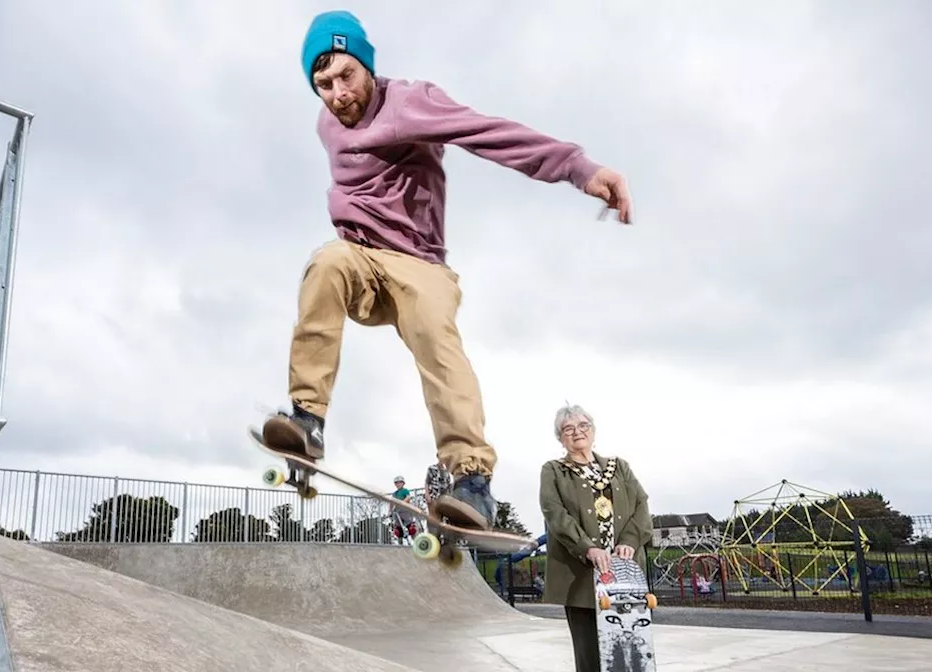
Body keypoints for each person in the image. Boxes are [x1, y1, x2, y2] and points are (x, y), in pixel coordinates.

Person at [260, 10, 634, 533]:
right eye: (323, 85)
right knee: (325, 263)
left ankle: (471, 480)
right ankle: (307, 418)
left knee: (437, 335)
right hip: (361, 261)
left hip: (419, 265)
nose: (338, 94)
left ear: (367, 65)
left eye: (347, 76)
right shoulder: (327, 123)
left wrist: (579, 168)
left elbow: (489, 134)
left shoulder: (411, 102)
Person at [538, 404, 652, 672]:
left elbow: (641, 504)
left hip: (625, 576)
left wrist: (630, 542)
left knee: (631, 650)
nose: (577, 432)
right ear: (560, 438)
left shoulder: (619, 467)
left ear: (593, 430)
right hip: (581, 574)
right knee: (589, 653)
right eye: (568, 429)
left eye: (583, 426)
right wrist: (587, 548)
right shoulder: (554, 470)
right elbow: (554, 512)